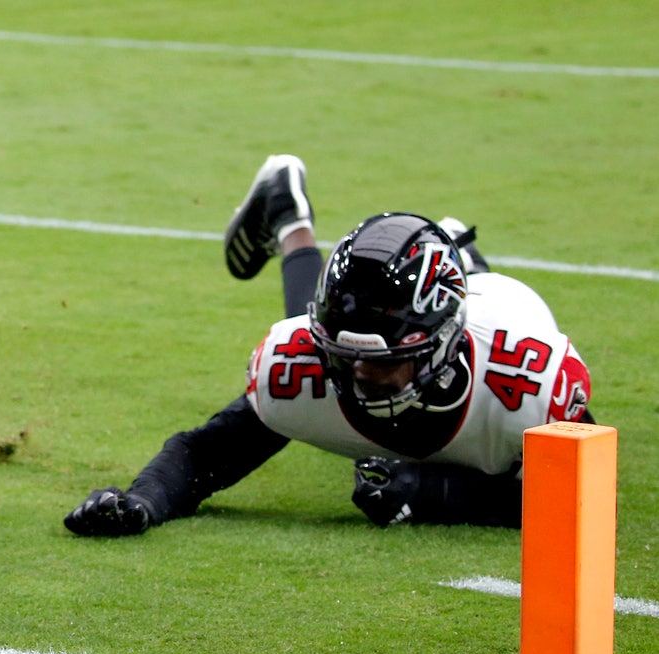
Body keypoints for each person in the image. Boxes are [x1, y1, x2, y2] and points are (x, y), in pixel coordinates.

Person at [64, 154, 594, 534]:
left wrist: (431, 492)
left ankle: (314, 226)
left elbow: (579, 497)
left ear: (439, 345)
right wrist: (140, 501)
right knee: (305, 330)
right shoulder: (305, 363)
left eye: (384, 362)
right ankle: (292, 219)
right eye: (345, 356)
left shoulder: (524, 382)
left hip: (499, 300)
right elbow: (203, 454)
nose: (360, 374)